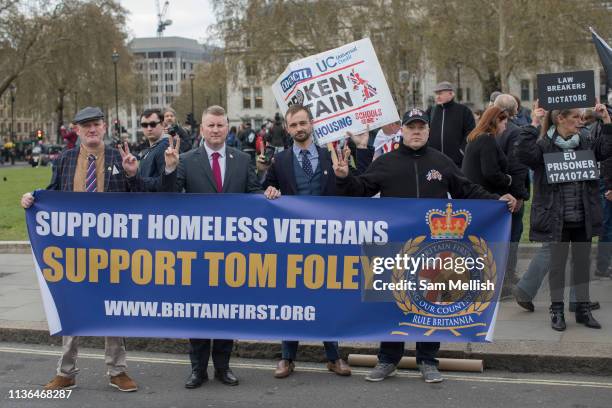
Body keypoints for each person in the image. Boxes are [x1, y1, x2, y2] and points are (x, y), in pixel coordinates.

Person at [334, 107, 517, 383]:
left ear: (428, 131)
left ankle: (428, 360)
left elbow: (466, 190)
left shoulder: (441, 162)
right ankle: (387, 360)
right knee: (393, 306)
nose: (416, 131)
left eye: (421, 127)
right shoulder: (386, 162)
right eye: (411, 127)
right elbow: (359, 191)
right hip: (395, 249)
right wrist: (344, 177)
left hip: (433, 250)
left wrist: (497, 200)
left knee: (432, 305)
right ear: (402, 131)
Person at [20, 106, 143, 392]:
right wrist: (32, 199)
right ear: (76, 130)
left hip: (111, 250)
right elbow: (52, 194)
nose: (91, 129)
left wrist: (132, 174)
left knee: (112, 310)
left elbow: (137, 200)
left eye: (96, 124)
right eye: (85, 125)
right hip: (73, 251)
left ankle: (117, 370)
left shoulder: (118, 156)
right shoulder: (64, 159)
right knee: (70, 308)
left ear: (104, 127)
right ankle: (66, 371)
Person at [162, 105, 261, 389]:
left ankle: (223, 367)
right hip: (198, 253)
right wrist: (169, 168)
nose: (215, 130)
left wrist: (267, 193)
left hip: (232, 252)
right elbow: (169, 197)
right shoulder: (185, 160)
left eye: (220, 125)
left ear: (227, 127)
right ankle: (197, 369)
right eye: (210, 125)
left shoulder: (242, 160)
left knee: (227, 312)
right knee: (198, 312)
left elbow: (253, 193)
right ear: (202, 129)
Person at [262, 104, 352, 379]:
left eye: (303, 123)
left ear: (312, 124)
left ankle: (333, 356)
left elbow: (352, 190)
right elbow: (266, 187)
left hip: (327, 239)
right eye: (294, 125)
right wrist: (269, 189)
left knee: (326, 298)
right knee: (291, 298)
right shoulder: (280, 161)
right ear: (287, 129)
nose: (299, 128)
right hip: (293, 241)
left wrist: (344, 176)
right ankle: (287, 358)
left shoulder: (331, 156)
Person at [516, 102, 610, 331]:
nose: (581, 121)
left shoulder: (586, 142)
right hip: (556, 217)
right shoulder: (545, 144)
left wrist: (607, 121)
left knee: (582, 263)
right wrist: (533, 123)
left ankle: (583, 310)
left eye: (582, 117)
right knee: (557, 266)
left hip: (582, 214)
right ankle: (556, 311)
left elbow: (606, 150)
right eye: (576, 117)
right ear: (561, 119)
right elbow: (523, 153)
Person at [461, 106, 512, 195]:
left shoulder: (477, 137)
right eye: (504, 124)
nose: (505, 128)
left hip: (474, 193)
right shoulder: (487, 140)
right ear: (496, 121)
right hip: (483, 196)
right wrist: (508, 179)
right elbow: (490, 172)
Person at [426, 81, 475, 166]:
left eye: (440, 93)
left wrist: (462, 152)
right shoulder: (430, 111)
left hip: (457, 163)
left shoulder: (463, 111)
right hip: (433, 162)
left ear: (451, 93)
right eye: (436, 94)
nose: (437, 96)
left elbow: (471, 133)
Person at [137, 108, 169, 191]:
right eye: (144, 125)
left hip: (157, 202)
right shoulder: (151, 148)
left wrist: (137, 179)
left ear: (162, 124)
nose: (149, 128)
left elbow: (165, 183)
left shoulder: (165, 147)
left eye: (153, 124)